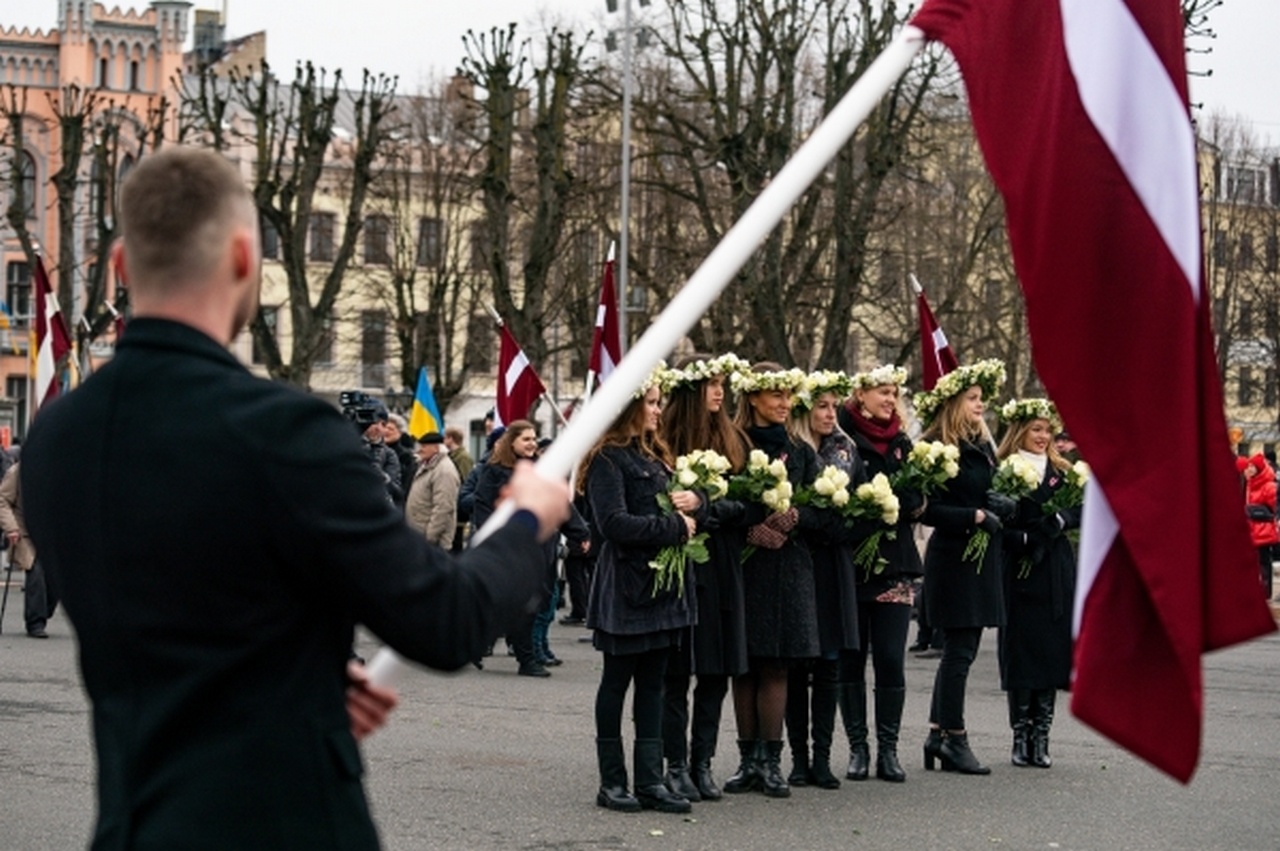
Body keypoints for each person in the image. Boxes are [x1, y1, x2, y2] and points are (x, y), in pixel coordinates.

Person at [19, 147, 570, 851]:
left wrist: (299, 676)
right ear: (246, 257)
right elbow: (448, 619)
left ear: (121, 266)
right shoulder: (283, 429)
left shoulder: (56, 435)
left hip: (137, 822)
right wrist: (527, 516)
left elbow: (176, 617)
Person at [582, 373, 702, 814]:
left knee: (654, 684)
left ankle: (650, 781)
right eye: (650, 402)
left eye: (658, 401)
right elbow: (612, 523)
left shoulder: (656, 455)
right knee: (617, 682)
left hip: (663, 589)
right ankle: (612, 782)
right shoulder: (606, 461)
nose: (657, 409)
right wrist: (673, 527)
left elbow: (682, 505)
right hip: (627, 587)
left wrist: (697, 503)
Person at [722, 363, 823, 799]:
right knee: (744, 665)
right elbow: (718, 503)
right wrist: (748, 528)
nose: (784, 403)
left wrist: (797, 517)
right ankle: (747, 760)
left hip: (788, 566)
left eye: (788, 395)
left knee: (777, 663)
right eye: (775, 395)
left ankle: (772, 762)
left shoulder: (800, 450)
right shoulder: (733, 445)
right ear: (753, 398)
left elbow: (827, 510)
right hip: (746, 565)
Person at [658, 353, 752, 802]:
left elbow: (752, 504)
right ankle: (674, 764)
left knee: (714, 672)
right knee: (676, 674)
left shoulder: (736, 440)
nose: (719, 392)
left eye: (722, 384)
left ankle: (702, 762)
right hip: (679, 565)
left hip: (721, 564)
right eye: (711, 384)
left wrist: (707, 506)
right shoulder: (663, 439)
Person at [914, 358, 1008, 776]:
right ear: (953, 402)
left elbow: (990, 490)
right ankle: (953, 736)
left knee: (961, 651)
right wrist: (971, 516)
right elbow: (926, 508)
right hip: (953, 557)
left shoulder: (981, 444)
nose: (980, 405)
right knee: (959, 652)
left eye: (982, 399)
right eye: (973, 398)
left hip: (980, 556)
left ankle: (939, 735)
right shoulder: (938, 445)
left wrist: (1003, 503)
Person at [835, 364, 925, 783]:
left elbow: (915, 496)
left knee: (890, 658)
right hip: (853, 562)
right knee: (852, 658)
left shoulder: (903, 442)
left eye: (893, 393)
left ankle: (888, 749)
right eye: (882, 392)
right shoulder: (842, 437)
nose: (890, 400)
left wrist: (897, 500)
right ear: (862, 395)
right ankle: (858, 748)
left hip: (894, 564)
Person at [784, 370, 866, 790]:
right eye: (822, 405)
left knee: (830, 664)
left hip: (832, 564)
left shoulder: (845, 451)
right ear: (804, 409)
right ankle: (798, 757)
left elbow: (850, 514)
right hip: (798, 564)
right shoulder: (790, 450)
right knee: (798, 665)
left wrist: (819, 520)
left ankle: (822, 757)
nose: (831, 413)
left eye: (835, 406)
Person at [995, 398, 1081, 769]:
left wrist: (1062, 519)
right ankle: (1020, 733)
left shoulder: (1064, 472)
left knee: (1050, 652)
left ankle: (1041, 734)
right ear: (1020, 431)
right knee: (1021, 652)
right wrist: (1025, 540)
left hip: (1054, 573)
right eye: (1036, 429)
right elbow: (999, 524)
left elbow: (1084, 505)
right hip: (1019, 569)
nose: (1044, 436)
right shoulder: (1005, 472)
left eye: (1048, 430)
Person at [472, 420, 560, 678]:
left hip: (537, 546)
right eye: (526, 439)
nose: (532, 443)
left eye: (534, 438)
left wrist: (580, 532)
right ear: (512, 443)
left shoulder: (539, 470)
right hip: (508, 546)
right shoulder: (494, 471)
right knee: (516, 602)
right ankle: (525, 659)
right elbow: (482, 506)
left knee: (529, 602)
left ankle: (490, 646)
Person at [0, 462, 57, 638]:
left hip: (50, 533)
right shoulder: (17, 471)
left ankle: (43, 609)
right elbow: (2, 499)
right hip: (24, 532)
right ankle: (35, 622)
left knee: (55, 580)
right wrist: (11, 528)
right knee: (36, 573)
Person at [404, 431, 461, 550]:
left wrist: (429, 537)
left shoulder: (444, 471)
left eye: (424, 446)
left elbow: (443, 508)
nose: (419, 450)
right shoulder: (426, 466)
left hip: (432, 543)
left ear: (436, 448)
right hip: (420, 539)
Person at [1239, 453, 1278, 600]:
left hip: (1263, 530)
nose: (1249, 469)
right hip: (1251, 528)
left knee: (1263, 562)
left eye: (1252, 467)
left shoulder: (1269, 486)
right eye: (1248, 467)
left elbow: (1275, 509)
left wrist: (1261, 513)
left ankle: (1266, 592)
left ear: (1259, 468)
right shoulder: (1250, 483)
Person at [384, 413, 418, 507]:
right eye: (385, 427)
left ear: (400, 432)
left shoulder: (406, 456)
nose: (386, 431)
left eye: (391, 429)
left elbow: (407, 484)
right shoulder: (375, 450)